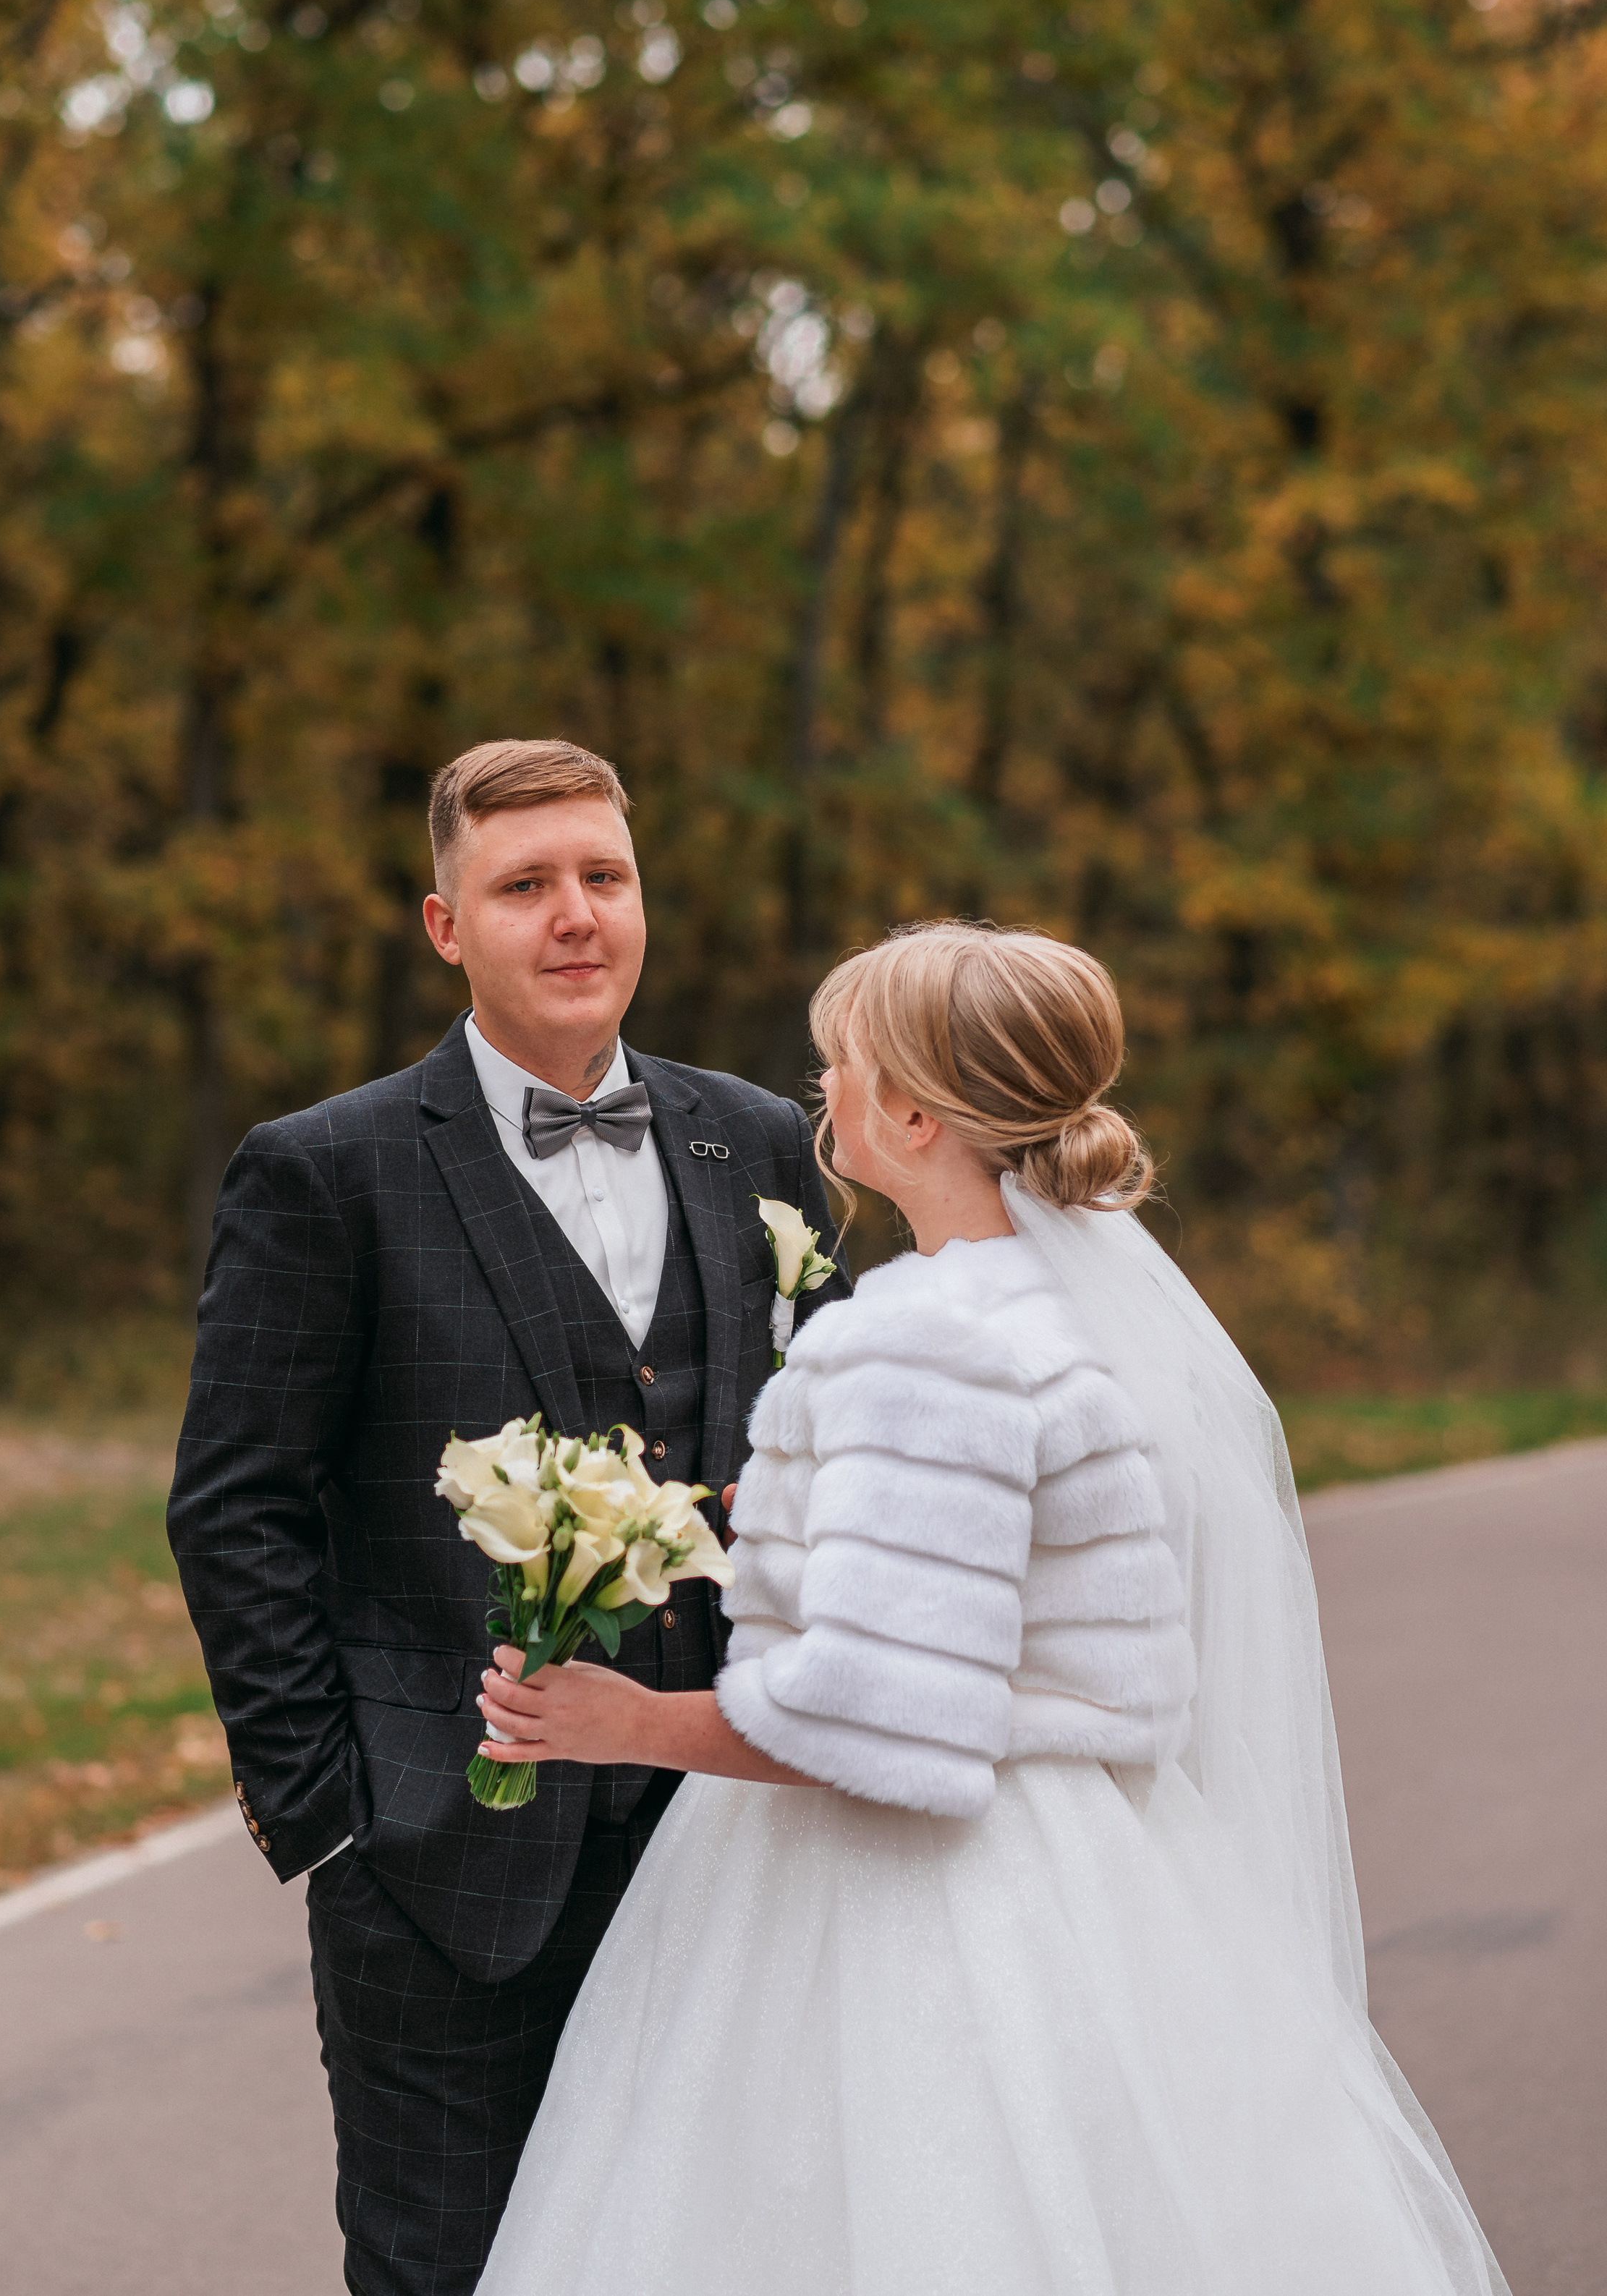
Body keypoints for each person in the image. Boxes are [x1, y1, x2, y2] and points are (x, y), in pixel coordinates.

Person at [471, 920, 1510, 2296]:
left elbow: (875, 1720)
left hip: (915, 1905)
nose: (821, 1087)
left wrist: (625, 1720)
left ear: (908, 1113)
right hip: (1085, 1874)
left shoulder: (925, 1340)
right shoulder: (1074, 1311)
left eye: (843, 1062)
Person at [166, 738, 846, 2296]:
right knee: (445, 2274)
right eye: (523, 885)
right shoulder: (321, 1173)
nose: (573, 917)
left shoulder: (759, 1143)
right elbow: (234, 1507)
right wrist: (333, 1809)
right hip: (438, 1863)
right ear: (443, 924)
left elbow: (836, 1447)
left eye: (601, 878)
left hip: (732, 1843)